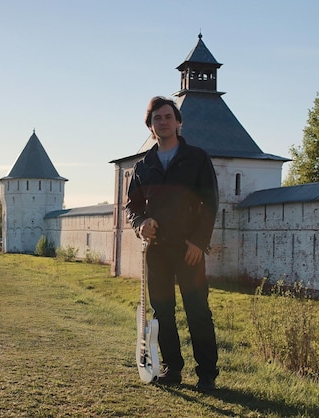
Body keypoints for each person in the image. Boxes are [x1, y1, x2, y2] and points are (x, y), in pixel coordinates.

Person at [126, 96, 219, 390]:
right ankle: (172, 369)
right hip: (157, 251)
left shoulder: (196, 158)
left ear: (178, 122)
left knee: (197, 311)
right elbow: (132, 206)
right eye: (157, 119)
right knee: (162, 312)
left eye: (167, 117)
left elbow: (210, 202)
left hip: (188, 248)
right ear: (150, 127)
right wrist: (141, 224)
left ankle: (206, 374)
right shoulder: (144, 165)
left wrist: (198, 242)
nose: (162, 122)